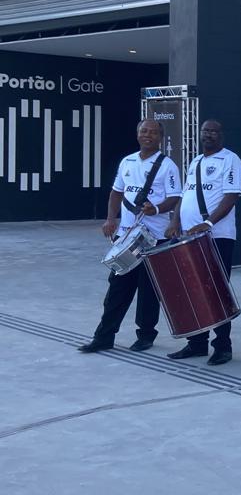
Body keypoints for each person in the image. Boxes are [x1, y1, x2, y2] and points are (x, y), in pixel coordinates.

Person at [79, 120, 181, 353]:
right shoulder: (127, 161)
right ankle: (104, 336)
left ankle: (145, 336)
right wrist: (110, 219)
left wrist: (155, 209)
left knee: (148, 292)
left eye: (153, 132)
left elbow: (175, 197)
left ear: (160, 137)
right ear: (137, 135)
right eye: (144, 131)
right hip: (126, 238)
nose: (148, 135)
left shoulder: (167, 166)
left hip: (154, 238)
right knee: (117, 289)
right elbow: (116, 192)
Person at [165, 120, 241, 365]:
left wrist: (209, 223)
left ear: (221, 135)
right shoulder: (196, 161)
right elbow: (186, 194)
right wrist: (174, 221)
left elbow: (231, 196)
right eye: (205, 131)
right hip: (189, 237)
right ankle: (197, 343)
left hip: (217, 236)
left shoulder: (231, 160)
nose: (209, 134)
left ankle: (222, 346)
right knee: (193, 289)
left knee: (217, 290)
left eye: (214, 131)